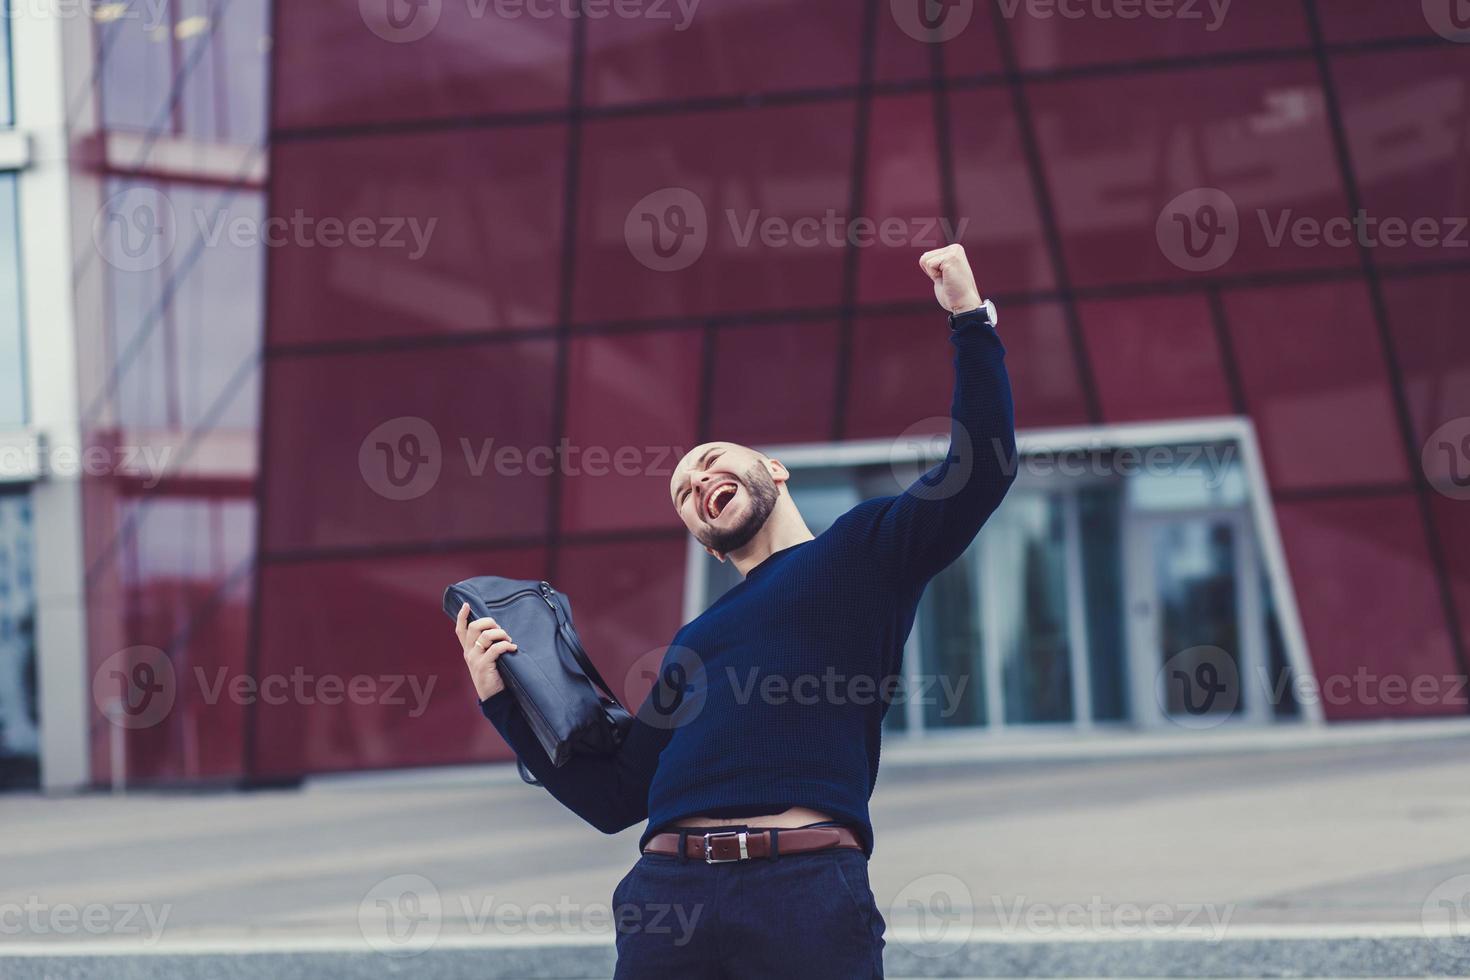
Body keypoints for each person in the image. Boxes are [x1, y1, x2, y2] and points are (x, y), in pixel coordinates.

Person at [455, 244, 1016, 978]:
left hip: (805, 892)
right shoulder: (697, 639)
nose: (698, 482)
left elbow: (981, 470)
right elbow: (616, 796)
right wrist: (504, 704)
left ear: (773, 471)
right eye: (685, 492)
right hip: (669, 899)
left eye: (711, 460)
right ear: (708, 546)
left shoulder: (861, 553)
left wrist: (970, 319)